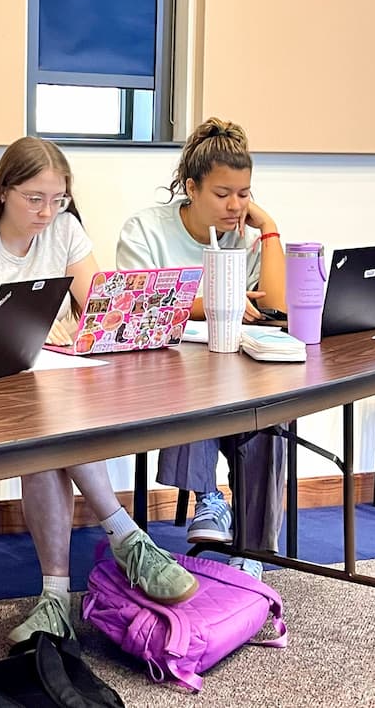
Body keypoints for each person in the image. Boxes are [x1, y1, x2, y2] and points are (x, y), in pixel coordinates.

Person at [0, 135, 199, 644]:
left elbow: (100, 304)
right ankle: (126, 536)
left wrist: (101, 321)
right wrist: (38, 330)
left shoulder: (65, 230)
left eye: (58, 200)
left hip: (47, 397)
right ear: (4, 191)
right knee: (50, 424)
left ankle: (56, 597)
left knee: (49, 437)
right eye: (35, 199)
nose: (47, 212)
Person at [116, 117, 286, 579]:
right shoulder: (145, 230)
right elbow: (132, 310)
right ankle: (209, 495)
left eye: (245, 194)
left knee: (273, 406)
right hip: (168, 371)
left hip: (235, 369)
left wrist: (267, 228)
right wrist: (209, 306)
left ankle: (254, 547)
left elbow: (277, 310)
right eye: (222, 193)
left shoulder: (247, 238)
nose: (235, 206)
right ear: (191, 187)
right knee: (199, 377)